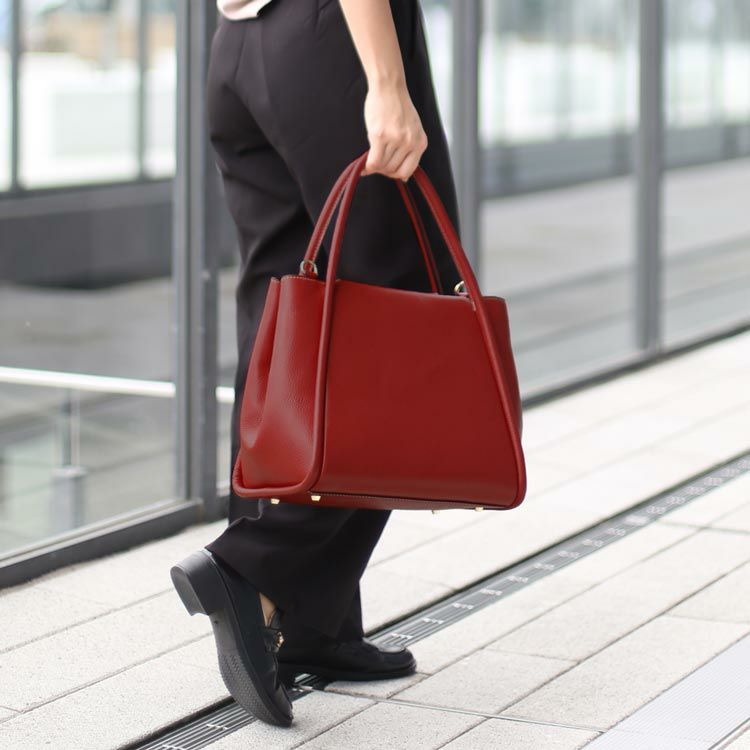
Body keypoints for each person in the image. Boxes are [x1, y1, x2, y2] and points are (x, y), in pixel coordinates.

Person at [170, 0, 462, 727]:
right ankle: (257, 565)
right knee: (403, 321)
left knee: (283, 331)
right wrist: (386, 83)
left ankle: (307, 623)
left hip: (238, 47)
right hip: (335, 40)